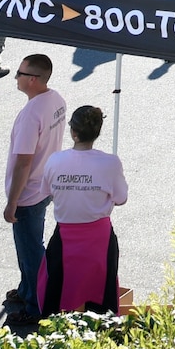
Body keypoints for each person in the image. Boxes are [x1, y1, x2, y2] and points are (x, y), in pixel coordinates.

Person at [38, 103, 129, 316]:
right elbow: (121, 198)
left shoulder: (55, 161)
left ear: (73, 132)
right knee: (101, 298)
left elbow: (47, 192)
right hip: (99, 239)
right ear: (97, 132)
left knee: (57, 296)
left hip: (64, 237)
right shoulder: (110, 162)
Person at [4, 53, 68, 321]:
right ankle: (27, 288)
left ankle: (36, 306)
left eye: (19, 73)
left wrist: (12, 202)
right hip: (44, 185)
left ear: (32, 80)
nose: (15, 77)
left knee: (31, 252)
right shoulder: (56, 100)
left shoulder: (31, 114)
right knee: (29, 248)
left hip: (28, 193)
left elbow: (23, 162)